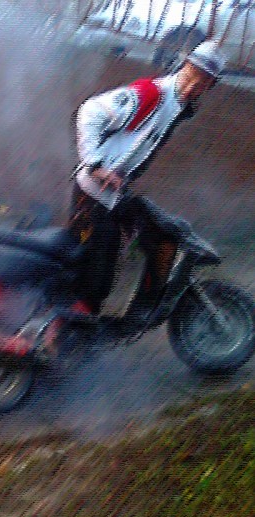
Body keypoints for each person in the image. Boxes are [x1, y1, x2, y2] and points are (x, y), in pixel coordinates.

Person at [69, 40, 227, 318]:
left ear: (210, 87)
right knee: (94, 275)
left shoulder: (177, 107)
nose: (192, 87)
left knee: (110, 262)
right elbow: (91, 111)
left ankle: (96, 322)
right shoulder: (150, 94)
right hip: (92, 194)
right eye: (190, 77)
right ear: (183, 66)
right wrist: (95, 165)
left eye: (202, 84)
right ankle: (65, 331)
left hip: (111, 195)